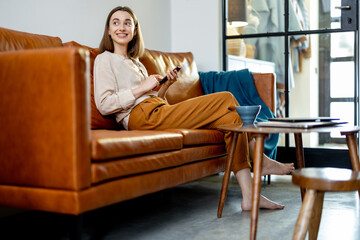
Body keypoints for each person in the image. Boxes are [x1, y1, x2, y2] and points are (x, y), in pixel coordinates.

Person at [94, 6, 294, 210]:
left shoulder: (137, 63)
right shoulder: (105, 59)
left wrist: (165, 86)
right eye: (116, 22)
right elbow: (105, 104)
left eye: (127, 23)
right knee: (226, 99)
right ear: (108, 30)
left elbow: (155, 101)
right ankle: (259, 159)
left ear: (135, 30)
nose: (122, 27)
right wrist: (141, 88)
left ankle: (250, 196)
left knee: (229, 115)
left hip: (155, 110)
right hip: (139, 117)